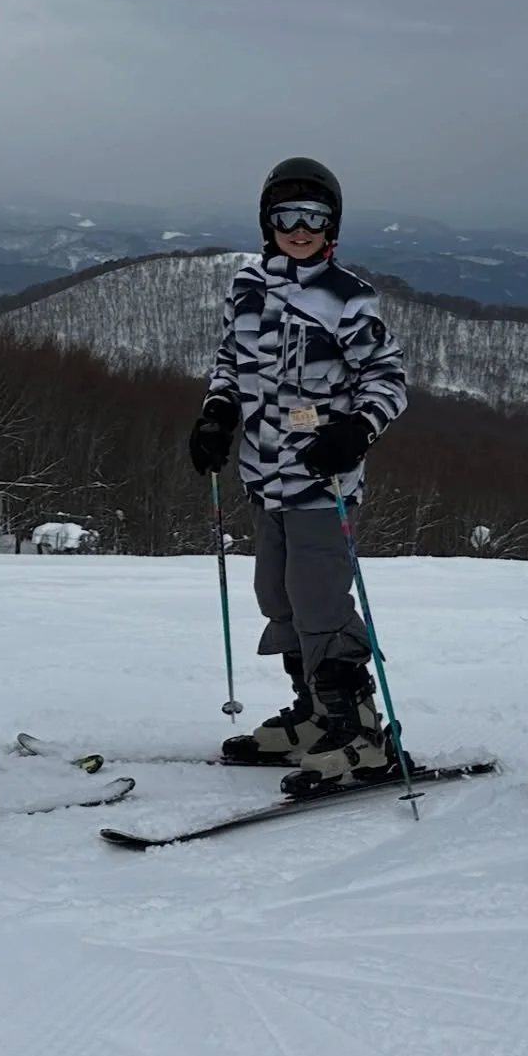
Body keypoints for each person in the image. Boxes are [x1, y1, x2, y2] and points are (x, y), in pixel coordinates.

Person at [188, 157, 409, 795]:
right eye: (287, 215)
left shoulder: (346, 295)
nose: (300, 227)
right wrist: (216, 414)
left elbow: (388, 381)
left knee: (319, 602)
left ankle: (359, 731)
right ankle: (316, 716)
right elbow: (230, 360)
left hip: (321, 479)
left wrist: (355, 429)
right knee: (279, 599)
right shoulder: (246, 286)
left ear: (332, 225)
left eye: (314, 216)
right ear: (267, 221)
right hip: (264, 475)